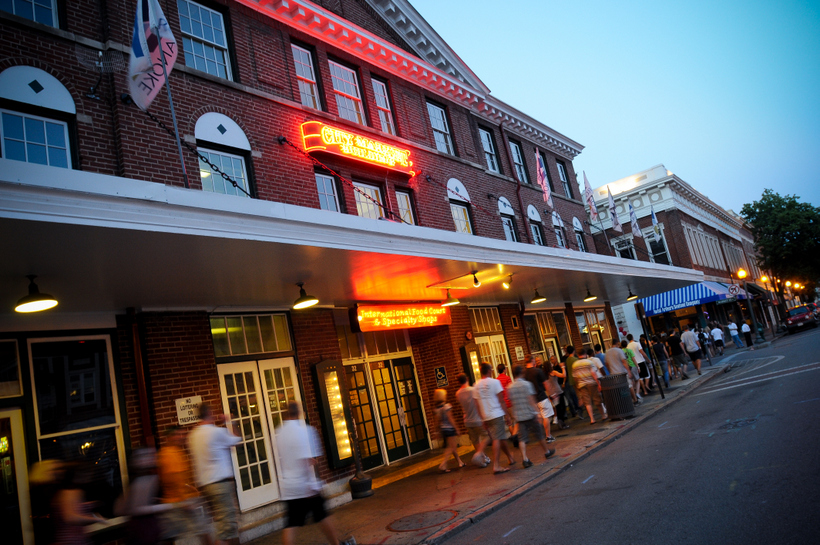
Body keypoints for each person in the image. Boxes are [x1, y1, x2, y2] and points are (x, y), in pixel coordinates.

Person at [276, 401, 354, 545]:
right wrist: (311, 482)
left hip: (289, 486)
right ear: (299, 413)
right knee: (323, 515)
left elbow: (287, 456)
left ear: (286, 413)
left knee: (291, 523)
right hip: (305, 486)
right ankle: (336, 544)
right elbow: (306, 459)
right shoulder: (305, 430)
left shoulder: (279, 432)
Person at [189, 403, 242, 545]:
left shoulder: (193, 435)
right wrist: (231, 421)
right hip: (220, 485)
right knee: (226, 528)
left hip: (205, 485)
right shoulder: (216, 432)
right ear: (209, 414)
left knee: (225, 523)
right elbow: (238, 440)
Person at [157, 426, 211, 545]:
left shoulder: (177, 452)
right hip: (178, 502)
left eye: (182, 434)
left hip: (181, 501)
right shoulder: (168, 455)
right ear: (170, 437)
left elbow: (181, 479)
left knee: (171, 535)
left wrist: (190, 489)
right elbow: (173, 479)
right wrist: (184, 500)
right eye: (178, 434)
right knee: (202, 530)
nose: (181, 437)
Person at [507, 365, 555, 467]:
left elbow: (512, 402)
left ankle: (525, 459)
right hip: (530, 414)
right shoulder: (527, 384)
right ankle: (546, 452)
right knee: (539, 434)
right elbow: (531, 400)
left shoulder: (510, 387)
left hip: (519, 416)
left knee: (522, 438)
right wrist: (537, 412)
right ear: (521, 373)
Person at [473, 362, 516, 474]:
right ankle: (496, 465)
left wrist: (482, 418)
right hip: (496, 414)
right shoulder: (495, 382)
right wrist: (507, 415)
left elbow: (476, 404)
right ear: (488, 371)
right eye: (491, 369)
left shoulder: (476, 385)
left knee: (501, 437)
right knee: (497, 439)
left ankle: (510, 457)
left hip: (486, 416)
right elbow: (501, 400)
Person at [53, 463, 104, 545]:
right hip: (71, 540)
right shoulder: (70, 493)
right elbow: (70, 517)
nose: (89, 477)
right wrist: (96, 519)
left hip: (76, 538)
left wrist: (91, 504)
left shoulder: (66, 492)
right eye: (86, 473)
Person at [455, 374, 491, 467]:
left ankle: (482, 459)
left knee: (475, 441)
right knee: (487, 436)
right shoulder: (472, 390)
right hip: (477, 419)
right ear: (467, 379)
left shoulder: (458, 393)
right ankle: (478, 455)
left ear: (459, 382)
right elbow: (479, 402)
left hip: (467, 420)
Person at [524, 355, 555, 442]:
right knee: (546, 417)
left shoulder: (524, 374)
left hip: (532, 400)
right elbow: (546, 384)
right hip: (541, 397)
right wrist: (550, 395)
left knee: (539, 417)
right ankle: (548, 436)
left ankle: (541, 435)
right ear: (533, 360)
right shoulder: (538, 371)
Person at [572, 349, 607, 424]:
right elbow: (594, 373)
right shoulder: (589, 362)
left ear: (578, 355)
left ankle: (592, 419)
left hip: (581, 384)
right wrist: (598, 383)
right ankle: (603, 415)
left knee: (587, 402)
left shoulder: (574, 365)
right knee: (597, 399)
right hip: (592, 383)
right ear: (585, 354)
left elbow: (575, 377)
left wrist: (577, 385)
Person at [434, 389, 465, 472]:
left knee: (452, 446)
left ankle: (460, 462)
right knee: (451, 447)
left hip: (443, 429)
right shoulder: (447, 406)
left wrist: (437, 431)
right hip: (450, 428)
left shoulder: (437, 409)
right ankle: (443, 464)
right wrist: (457, 428)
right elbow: (450, 418)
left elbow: (437, 421)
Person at [604, 340, 640, 404]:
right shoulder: (619, 351)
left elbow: (606, 364)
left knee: (619, 389)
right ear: (617, 344)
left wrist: (610, 371)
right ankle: (635, 400)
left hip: (614, 374)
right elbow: (624, 362)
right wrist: (628, 371)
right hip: (622, 372)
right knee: (629, 386)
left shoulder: (607, 353)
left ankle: (624, 402)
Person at [546, 355, 569, 429]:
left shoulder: (543, 375)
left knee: (557, 407)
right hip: (558, 391)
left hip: (551, 393)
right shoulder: (553, 372)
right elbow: (563, 375)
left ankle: (560, 422)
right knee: (562, 407)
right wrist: (563, 367)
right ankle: (562, 422)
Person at [564, 346, 583, 419]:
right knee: (581, 396)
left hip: (571, 381)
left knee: (578, 396)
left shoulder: (567, 360)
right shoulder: (575, 359)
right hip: (577, 380)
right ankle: (580, 411)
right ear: (574, 351)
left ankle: (579, 410)